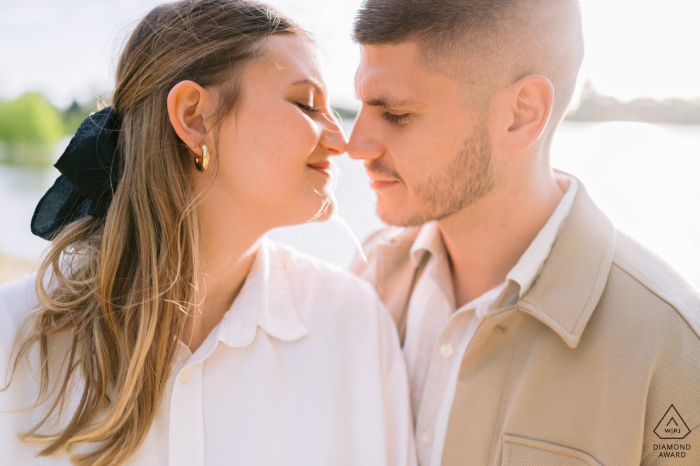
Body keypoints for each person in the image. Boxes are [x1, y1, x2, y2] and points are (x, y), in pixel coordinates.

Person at [0, 1, 416, 465]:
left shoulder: (353, 325)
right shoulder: (11, 339)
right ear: (195, 117)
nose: (343, 141)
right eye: (304, 103)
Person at [349, 0, 700, 465]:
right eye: (361, 106)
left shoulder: (669, 348)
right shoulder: (364, 279)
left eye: (396, 113)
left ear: (521, 114)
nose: (355, 146)